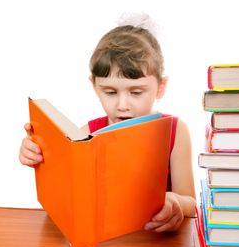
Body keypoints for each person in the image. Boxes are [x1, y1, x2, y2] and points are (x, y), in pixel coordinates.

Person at [19, 14, 196, 233]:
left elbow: (191, 204)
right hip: (108, 243)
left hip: (156, 243)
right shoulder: (86, 135)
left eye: (137, 92)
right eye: (110, 92)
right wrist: (38, 155)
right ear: (94, 86)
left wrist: (176, 203)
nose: (122, 105)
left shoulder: (176, 132)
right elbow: (64, 196)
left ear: (161, 87)